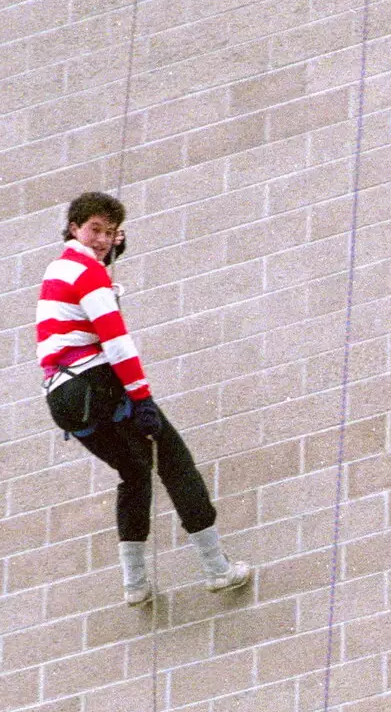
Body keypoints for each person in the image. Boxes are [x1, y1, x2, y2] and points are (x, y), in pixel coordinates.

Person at [37, 191, 251, 606]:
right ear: (74, 228)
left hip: (63, 400)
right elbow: (117, 342)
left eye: (110, 233)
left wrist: (108, 259)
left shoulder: (57, 270)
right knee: (174, 462)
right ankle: (216, 568)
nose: (101, 239)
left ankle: (135, 585)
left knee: (134, 473)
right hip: (97, 384)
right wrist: (142, 398)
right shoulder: (85, 273)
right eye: (94, 229)